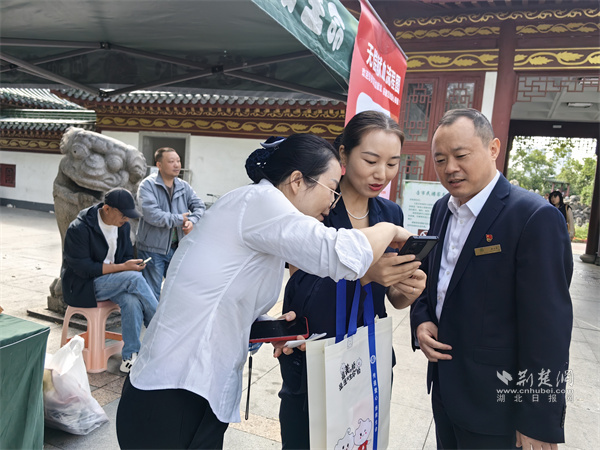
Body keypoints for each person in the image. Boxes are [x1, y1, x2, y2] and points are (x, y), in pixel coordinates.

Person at [116, 134, 414, 450]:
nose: (332, 203)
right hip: (174, 394)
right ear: (297, 181)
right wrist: (390, 229)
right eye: (331, 189)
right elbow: (342, 254)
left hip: (191, 390)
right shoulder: (261, 202)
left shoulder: (257, 215)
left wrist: (269, 327)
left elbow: (222, 299)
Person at [410, 108, 573, 449]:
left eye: (461, 155)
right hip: (446, 391)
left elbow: (548, 329)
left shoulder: (533, 217)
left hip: (497, 407)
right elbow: (432, 281)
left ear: (493, 148)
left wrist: (538, 419)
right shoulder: (442, 209)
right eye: (440, 159)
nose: (450, 168)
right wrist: (422, 320)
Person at [277, 111, 427, 449]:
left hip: (369, 355)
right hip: (314, 352)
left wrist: (407, 289)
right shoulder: (318, 205)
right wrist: (364, 273)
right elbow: (301, 288)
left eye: (392, 163)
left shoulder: (389, 214)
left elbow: (391, 297)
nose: (381, 174)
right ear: (343, 154)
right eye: (371, 160)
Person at [61, 188, 159, 373]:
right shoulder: (79, 228)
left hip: (113, 282)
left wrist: (130, 265)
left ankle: (129, 357)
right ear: (107, 209)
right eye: (123, 215)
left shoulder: (123, 227)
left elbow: (126, 256)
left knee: (131, 300)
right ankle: (160, 325)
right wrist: (123, 268)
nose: (126, 219)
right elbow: (84, 269)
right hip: (83, 286)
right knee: (133, 278)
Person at [136, 147, 206, 300]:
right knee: (152, 295)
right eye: (171, 161)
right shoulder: (147, 185)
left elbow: (200, 206)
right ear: (159, 165)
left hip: (177, 248)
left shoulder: (183, 186)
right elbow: (151, 214)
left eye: (178, 161)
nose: (176, 165)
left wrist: (192, 221)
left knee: (178, 291)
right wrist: (180, 219)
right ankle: (152, 317)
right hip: (152, 249)